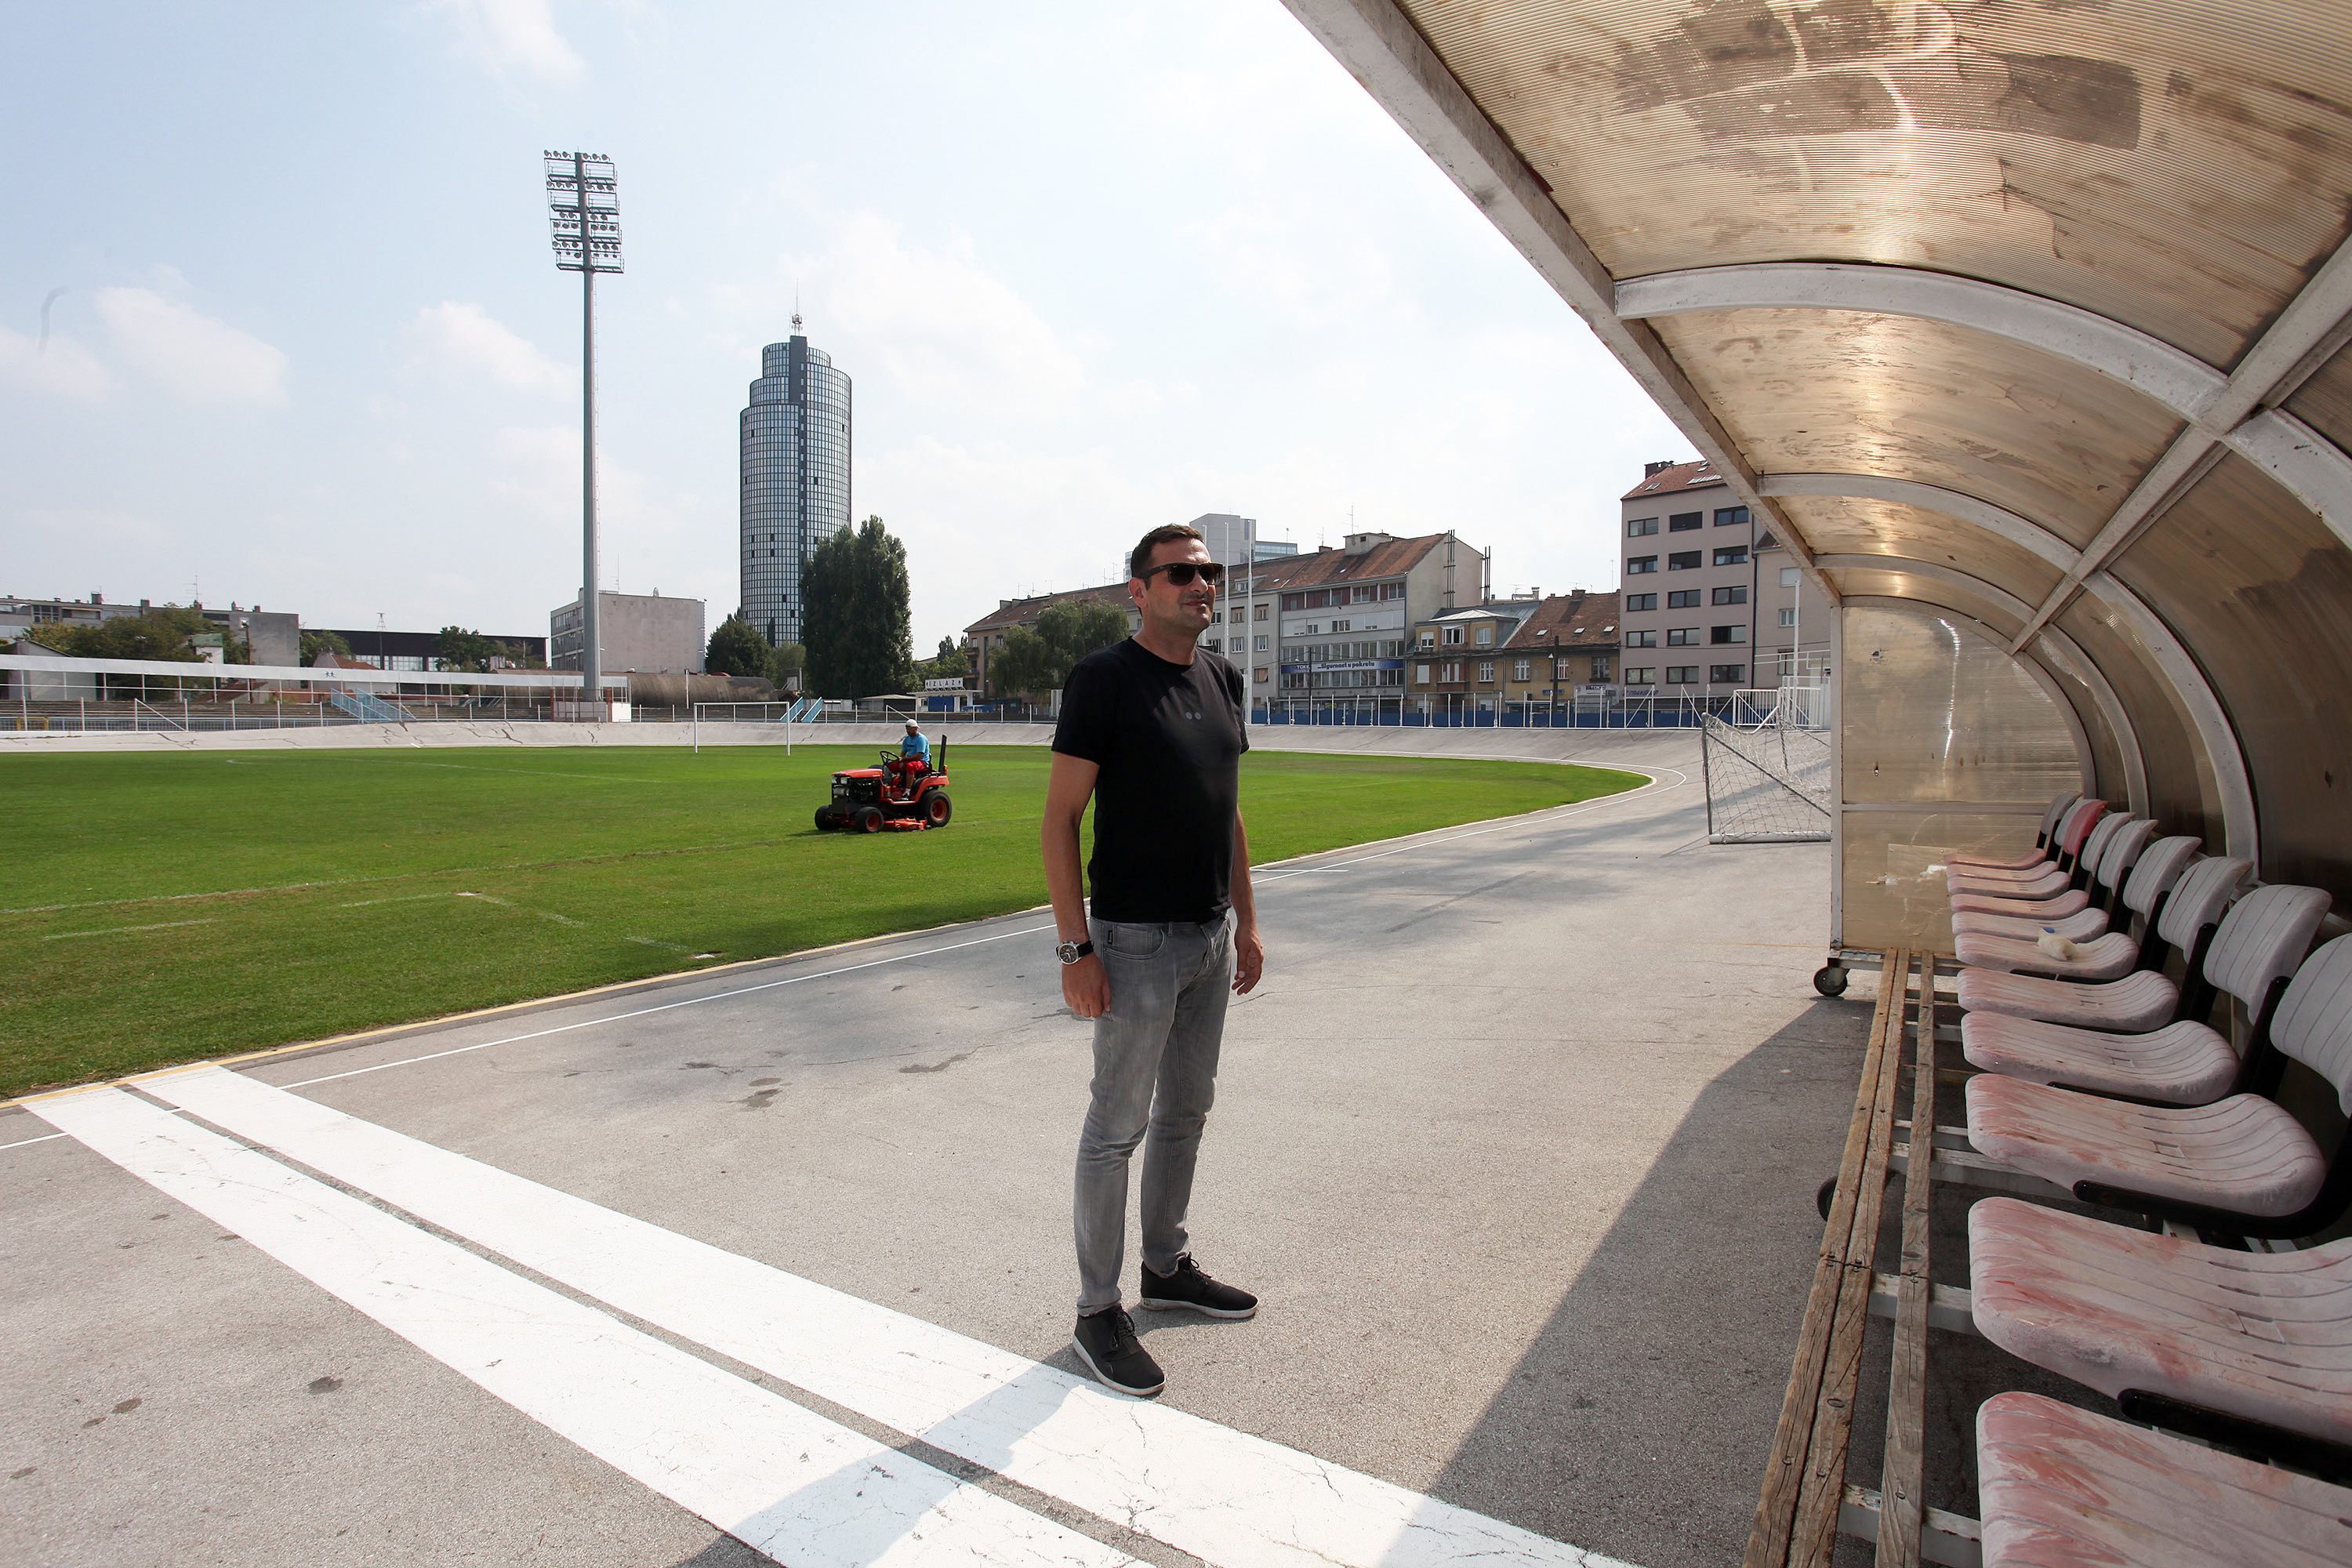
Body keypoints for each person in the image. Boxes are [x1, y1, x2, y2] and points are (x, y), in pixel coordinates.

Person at [1042, 521, 1265, 1398]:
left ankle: (1165, 1264)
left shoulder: (1221, 675)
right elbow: (1060, 820)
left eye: (1210, 571)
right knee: (1115, 1128)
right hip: (1133, 943)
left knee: (1188, 1113)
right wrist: (1076, 948)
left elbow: (1230, 810)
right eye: (1181, 572)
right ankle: (1099, 1310)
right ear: (1137, 588)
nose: (1201, 584)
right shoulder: (1102, 680)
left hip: (1210, 938)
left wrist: (1247, 923)